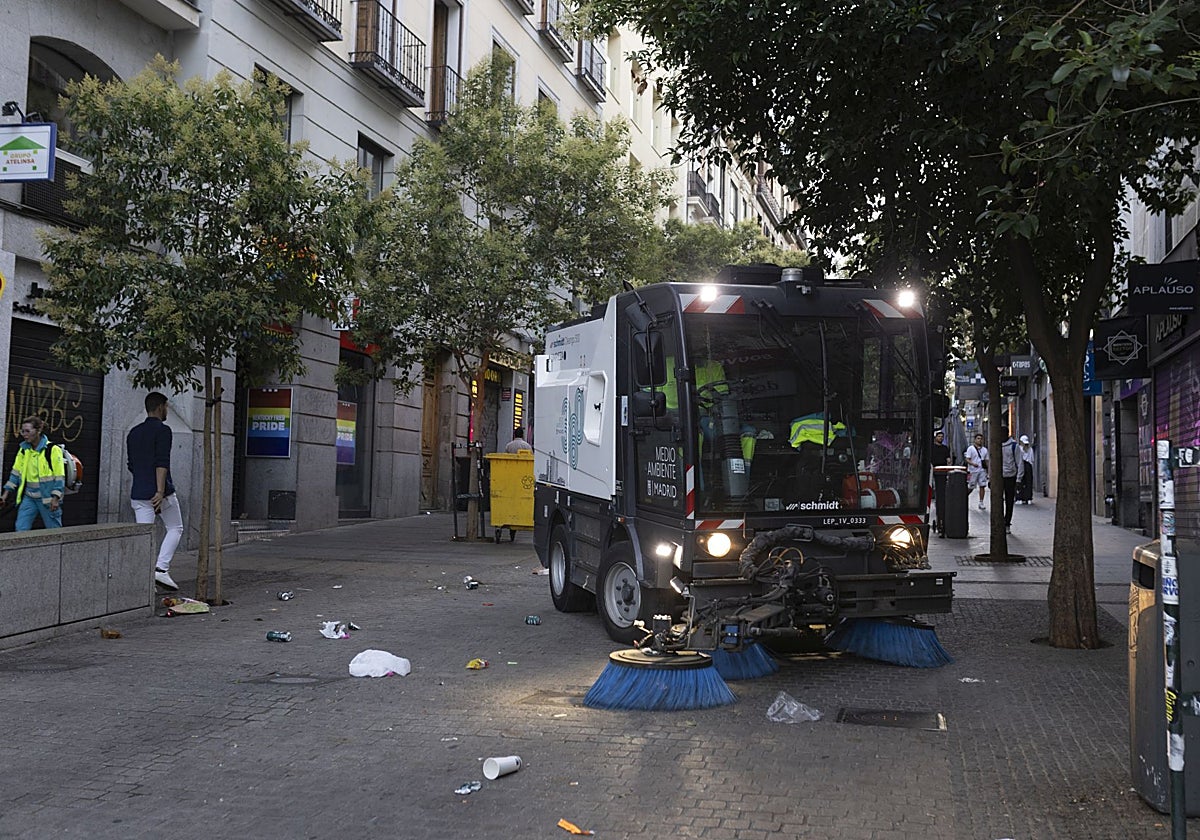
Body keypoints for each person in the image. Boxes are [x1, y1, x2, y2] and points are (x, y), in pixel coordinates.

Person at [127, 392, 184, 590]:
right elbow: (162, 462)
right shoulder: (163, 431)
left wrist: (144, 482)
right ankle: (161, 568)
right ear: (160, 407)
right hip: (161, 493)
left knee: (145, 537)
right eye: (167, 407)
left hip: (139, 492)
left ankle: (143, 579)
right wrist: (159, 491)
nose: (167, 410)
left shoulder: (133, 432)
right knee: (175, 527)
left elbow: (132, 464)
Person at [0, 416, 65, 531]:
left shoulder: (53, 449)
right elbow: (15, 474)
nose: (24, 435)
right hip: (29, 498)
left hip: (47, 499)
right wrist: (4, 495)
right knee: (20, 528)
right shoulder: (24, 450)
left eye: (28, 431)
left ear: (38, 431)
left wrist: (56, 498)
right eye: (22, 431)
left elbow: (60, 477)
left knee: (54, 531)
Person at [930, 429, 951, 535]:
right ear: (935, 437)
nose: (941, 438)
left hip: (942, 472)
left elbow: (948, 459)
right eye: (939, 436)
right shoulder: (932, 448)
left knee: (941, 491)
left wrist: (948, 462)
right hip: (934, 471)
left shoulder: (945, 448)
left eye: (942, 437)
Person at [1000, 427, 1020, 533]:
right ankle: (1000, 521)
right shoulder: (996, 445)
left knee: (1009, 501)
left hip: (1011, 477)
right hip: (999, 477)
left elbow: (1019, 462)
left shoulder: (1014, 446)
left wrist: (1019, 479)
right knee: (998, 500)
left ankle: (1007, 522)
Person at [965, 432, 989, 510]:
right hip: (973, 471)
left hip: (982, 470)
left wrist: (988, 470)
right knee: (971, 486)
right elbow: (967, 459)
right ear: (975, 440)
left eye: (981, 439)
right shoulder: (971, 449)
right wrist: (973, 464)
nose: (980, 440)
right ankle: (964, 497)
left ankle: (981, 502)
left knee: (982, 486)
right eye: (978, 438)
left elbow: (987, 460)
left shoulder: (985, 450)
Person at [1018, 434, 1035, 503]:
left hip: (1022, 465)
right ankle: (1028, 498)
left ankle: (1021, 498)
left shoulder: (1019, 449)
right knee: (1028, 482)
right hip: (1028, 466)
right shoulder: (1030, 449)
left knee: (1021, 481)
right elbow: (1032, 459)